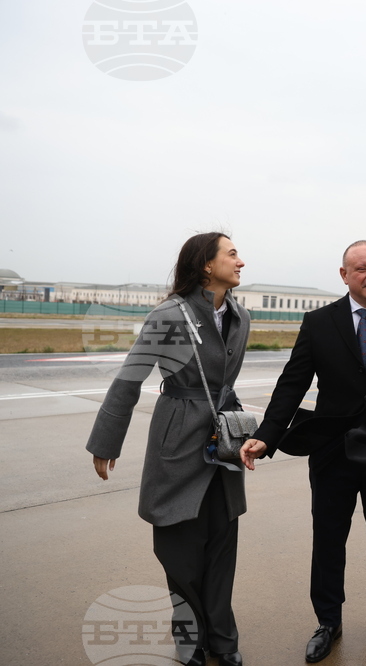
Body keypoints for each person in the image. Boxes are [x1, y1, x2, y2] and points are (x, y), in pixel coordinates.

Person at [239, 240, 366, 662]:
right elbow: (292, 383)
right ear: (344, 275)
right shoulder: (319, 322)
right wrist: (267, 435)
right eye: (362, 269)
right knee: (329, 539)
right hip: (332, 453)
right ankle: (328, 621)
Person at [86, 232, 251, 666]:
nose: (241, 262)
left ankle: (224, 640)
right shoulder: (169, 314)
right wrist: (107, 440)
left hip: (223, 442)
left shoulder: (240, 315)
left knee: (222, 543)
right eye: (232, 254)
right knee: (178, 551)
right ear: (205, 266)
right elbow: (129, 378)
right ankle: (190, 642)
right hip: (178, 439)